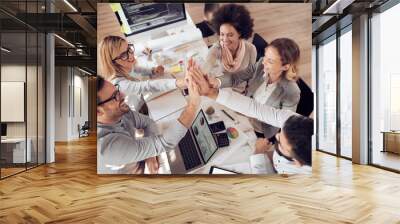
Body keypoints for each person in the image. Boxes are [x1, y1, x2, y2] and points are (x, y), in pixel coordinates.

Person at [189, 67, 312, 174]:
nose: (277, 136)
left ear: (297, 163)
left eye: (282, 145)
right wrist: (211, 93)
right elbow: (255, 109)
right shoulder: (292, 121)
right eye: (281, 133)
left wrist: (258, 154)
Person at [97, 75, 200, 174]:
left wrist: (150, 154)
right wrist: (193, 105)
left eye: (117, 90)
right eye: (115, 96)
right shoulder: (106, 147)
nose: (123, 95)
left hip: (138, 159)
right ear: (98, 112)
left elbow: (148, 122)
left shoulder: (119, 111)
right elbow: (164, 143)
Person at [207, 38, 301, 140]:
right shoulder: (261, 65)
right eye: (265, 56)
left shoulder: (292, 91)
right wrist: (217, 82)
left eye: (270, 61)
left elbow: (287, 124)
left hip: (259, 129)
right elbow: (237, 77)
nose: (264, 62)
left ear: (285, 67)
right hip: (243, 113)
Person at [98, 35, 187, 113]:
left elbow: (137, 69)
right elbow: (147, 86)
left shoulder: (126, 66)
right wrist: (178, 82)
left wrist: (153, 70)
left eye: (128, 49)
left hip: (142, 101)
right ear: (112, 62)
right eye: (124, 55)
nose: (131, 55)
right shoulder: (119, 84)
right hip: (136, 112)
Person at [204, 3, 257, 92]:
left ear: (239, 33)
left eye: (230, 35)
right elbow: (207, 66)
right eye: (222, 34)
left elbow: (251, 75)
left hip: (241, 92)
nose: (224, 39)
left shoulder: (251, 49)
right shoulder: (217, 49)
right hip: (222, 89)